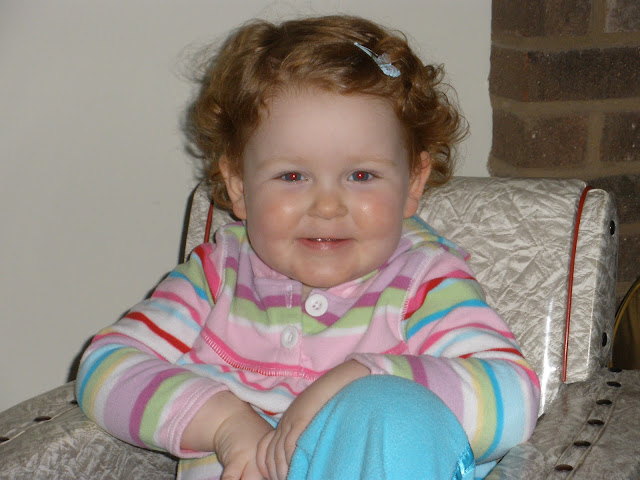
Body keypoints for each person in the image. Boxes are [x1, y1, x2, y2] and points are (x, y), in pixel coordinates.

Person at [76, 15, 540, 480]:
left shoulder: (423, 281)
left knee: (392, 410)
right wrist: (224, 423)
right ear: (238, 184)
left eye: (361, 175)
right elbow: (104, 367)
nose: (327, 206)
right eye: (292, 176)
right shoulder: (217, 277)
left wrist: (367, 376)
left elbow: (515, 399)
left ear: (413, 183)